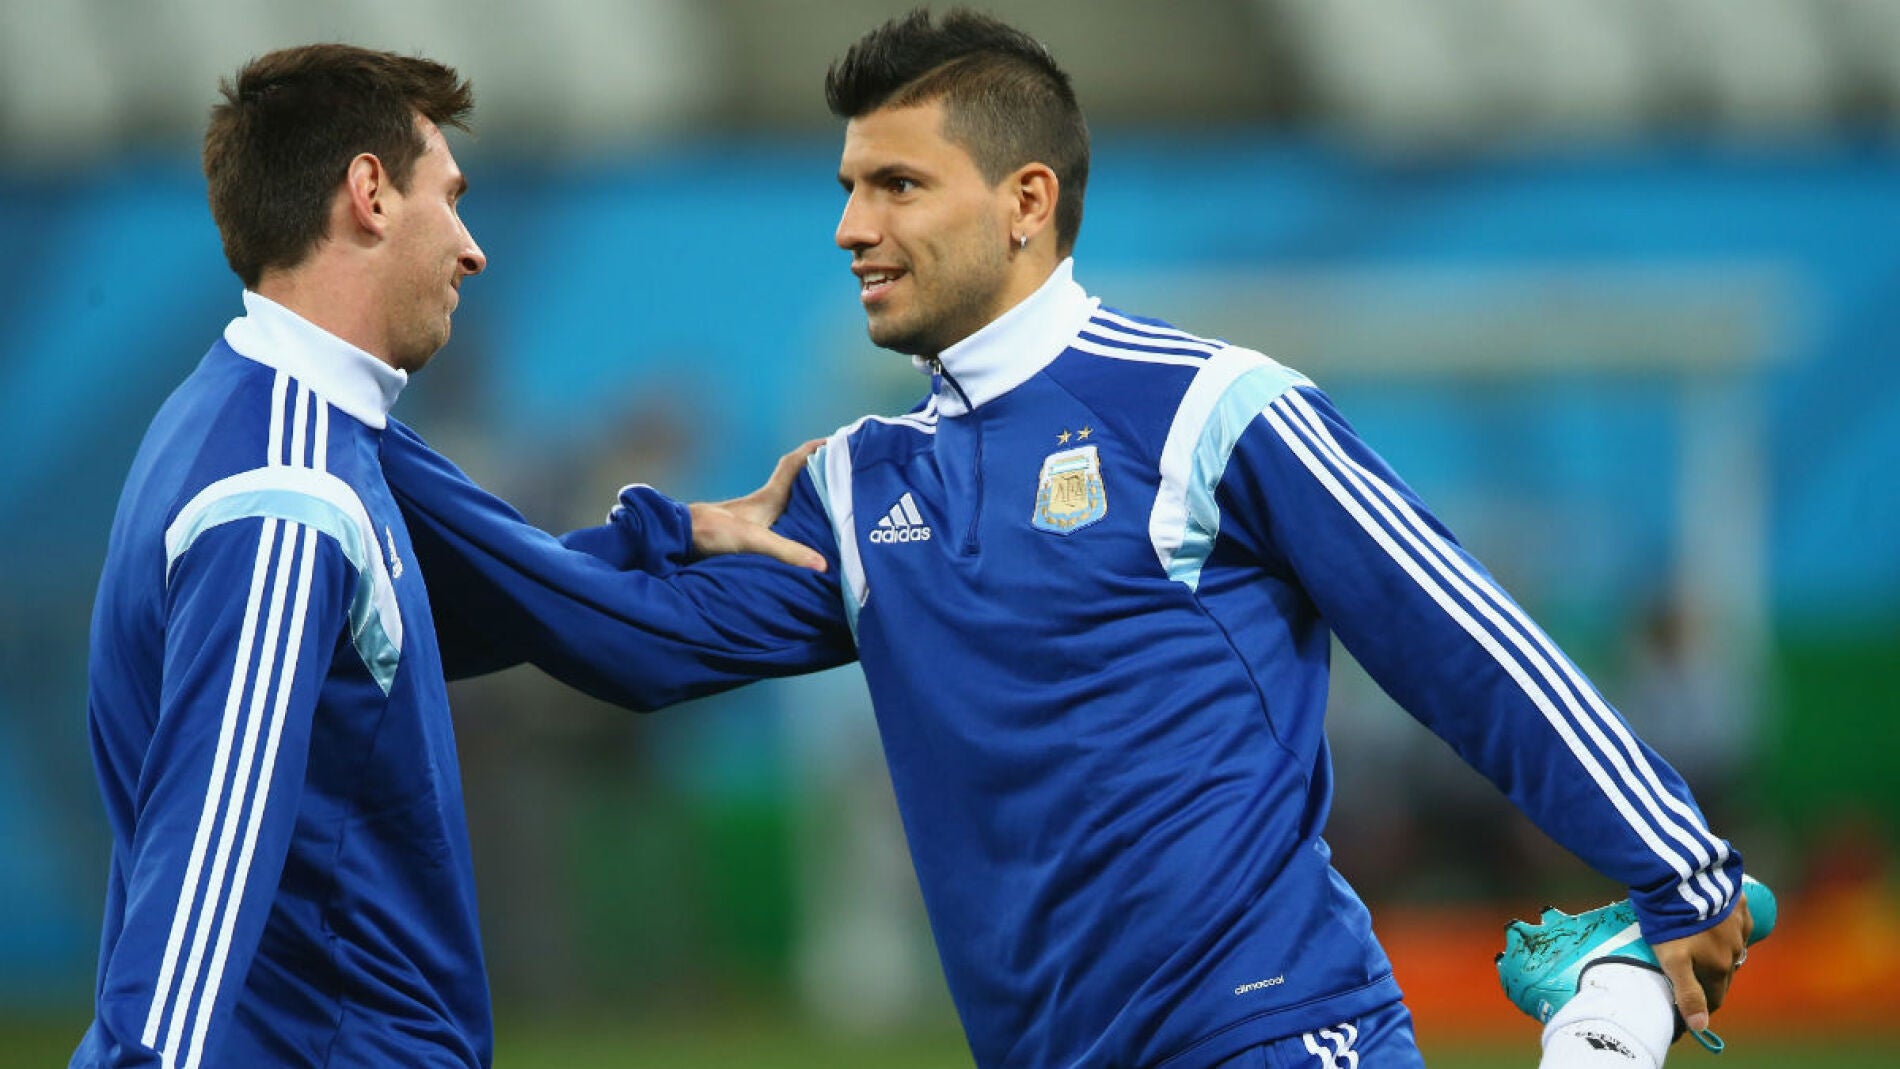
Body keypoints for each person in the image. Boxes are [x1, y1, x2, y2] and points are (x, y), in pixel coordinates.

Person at [380, 9, 1760, 1068]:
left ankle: (1612, 995)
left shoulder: (1216, 409)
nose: (852, 228)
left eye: (900, 187)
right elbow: (624, 640)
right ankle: (1606, 1007)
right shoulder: (859, 486)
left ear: (1027, 201)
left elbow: (1463, 642)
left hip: (1269, 1027)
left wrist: (1675, 863)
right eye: (849, 188)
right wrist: (360, 455)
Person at [73, 44, 810, 1069]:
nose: (472, 248)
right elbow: (204, 871)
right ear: (369, 193)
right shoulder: (286, 499)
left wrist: (675, 535)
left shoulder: (301, 421)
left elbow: (532, 601)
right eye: (450, 196)